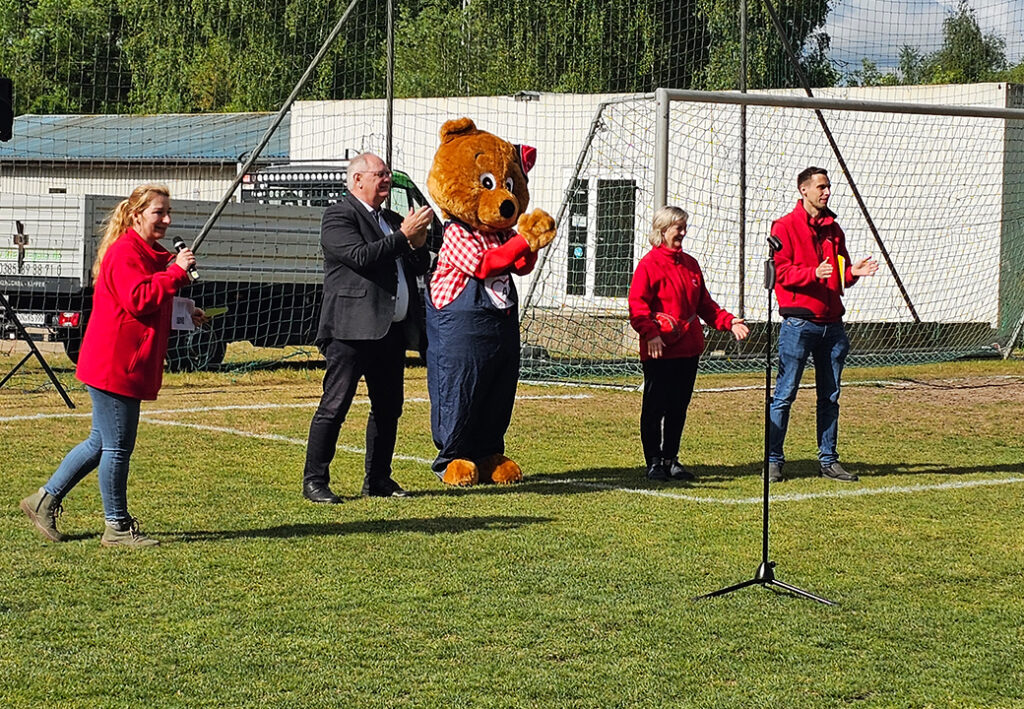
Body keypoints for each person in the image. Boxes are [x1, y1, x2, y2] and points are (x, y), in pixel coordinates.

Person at [20, 184, 204, 547]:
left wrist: (183, 310)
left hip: (120, 362)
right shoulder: (124, 253)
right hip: (115, 364)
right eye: (159, 213)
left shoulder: (150, 253)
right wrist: (178, 274)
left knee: (100, 442)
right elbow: (138, 298)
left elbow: (149, 300)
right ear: (137, 214)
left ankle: (43, 500)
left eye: (168, 213)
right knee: (117, 446)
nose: (167, 220)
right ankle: (117, 527)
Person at [302, 152, 434, 503]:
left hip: (389, 331)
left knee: (389, 408)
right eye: (380, 174)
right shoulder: (338, 216)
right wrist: (403, 236)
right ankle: (315, 480)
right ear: (358, 179)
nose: (387, 179)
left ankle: (378, 479)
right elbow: (361, 256)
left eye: (388, 174)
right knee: (335, 406)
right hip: (350, 330)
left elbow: (419, 265)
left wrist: (417, 243)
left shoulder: (391, 219)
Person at [768, 166, 878, 483]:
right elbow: (781, 273)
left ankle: (828, 461)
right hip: (799, 324)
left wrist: (853, 272)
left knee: (829, 397)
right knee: (784, 395)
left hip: (833, 325)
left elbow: (838, 274)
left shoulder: (834, 229)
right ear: (803, 190)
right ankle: (774, 460)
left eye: (828, 186)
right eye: (820, 186)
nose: (826, 191)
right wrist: (811, 274)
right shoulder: (784, 227)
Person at [628, 205, 749, 482]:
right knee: (654, 407)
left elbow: (705, 305)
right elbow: (637, 307)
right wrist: (651, 333)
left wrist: (729, 322)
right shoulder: (649, 265)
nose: (683, 232)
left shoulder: (691, 265)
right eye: (677, 228)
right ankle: (654, 461)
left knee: (678, 406)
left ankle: (671, 458)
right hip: (660, 350)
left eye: (684, 227)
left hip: (689, 348)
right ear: (662, 231)